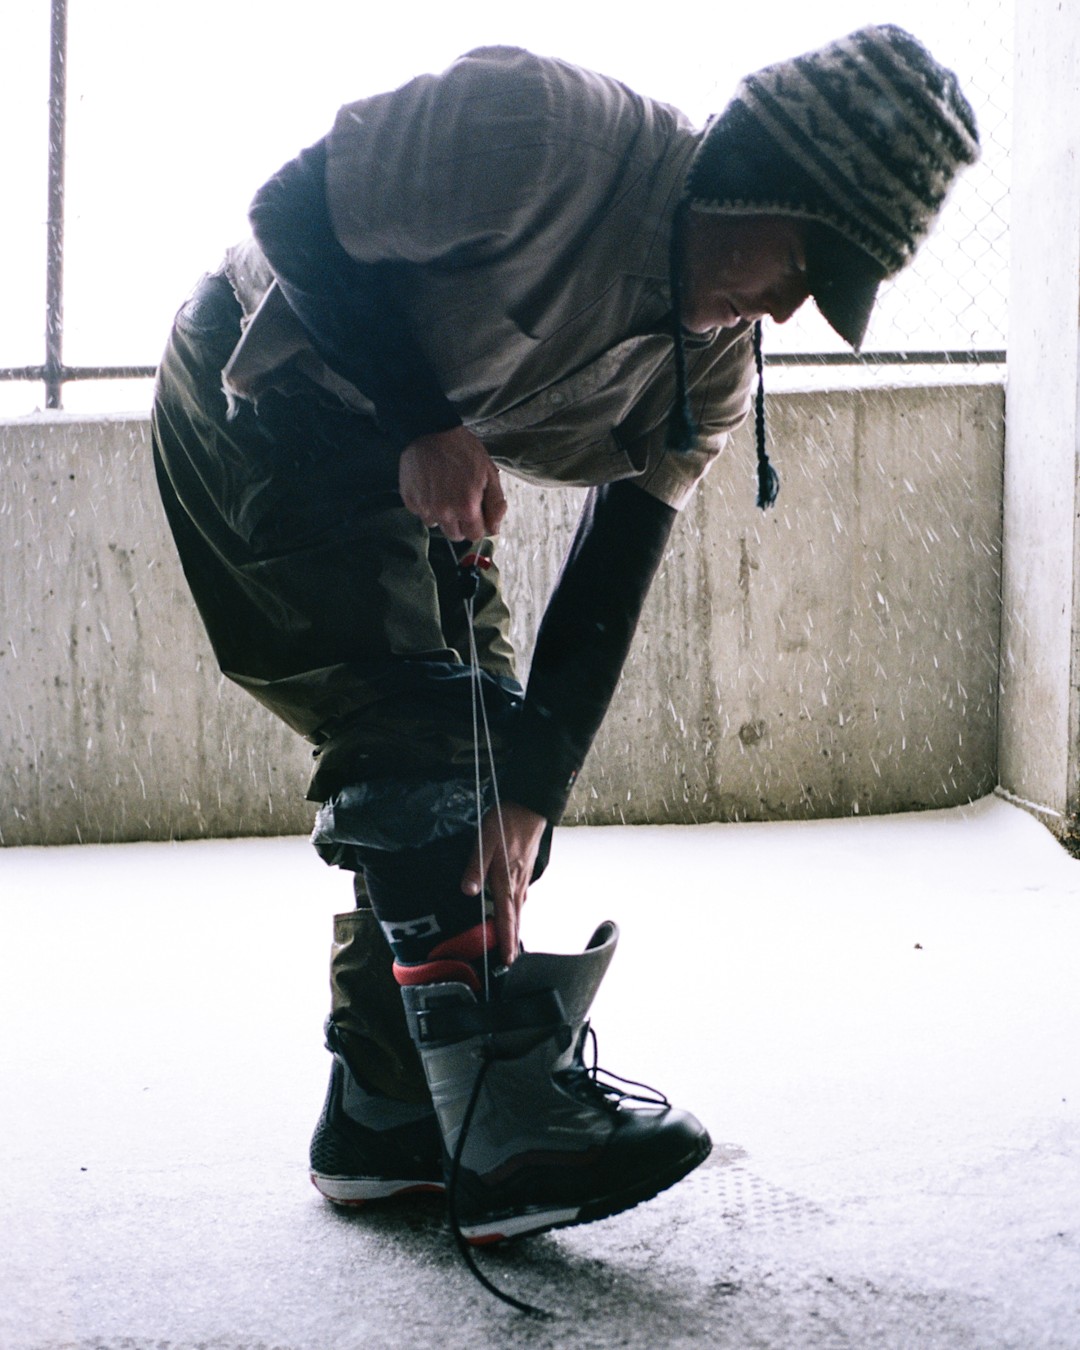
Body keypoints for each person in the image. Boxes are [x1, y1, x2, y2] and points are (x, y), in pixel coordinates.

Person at [151, 25, 978, 1254]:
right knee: (422, 737)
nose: (798, 307)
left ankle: (381, 1116)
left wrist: (535, 795)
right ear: (756, 171)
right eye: (808, 258)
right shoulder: (535, 131)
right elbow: (288, 208)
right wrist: (429, 421)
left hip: (417, 466)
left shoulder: (716, 374)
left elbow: (609, 577)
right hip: (261, 396)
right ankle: (509, 1133)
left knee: (485, 769)